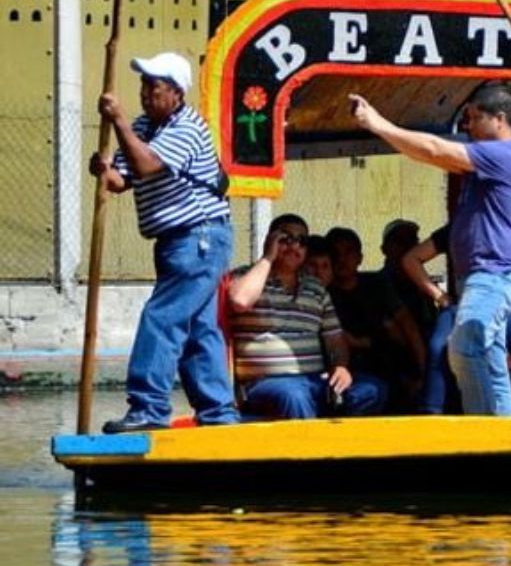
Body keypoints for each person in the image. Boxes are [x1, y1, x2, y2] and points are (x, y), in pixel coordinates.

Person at [351, 83, 511, 416]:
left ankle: (484, 432)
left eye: (475, 118)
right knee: (491, 362)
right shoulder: (487, 158)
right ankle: (505, 437)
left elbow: (433, 148)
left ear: (500, 119)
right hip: (483, 277)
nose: (469, 126)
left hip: (492, 275)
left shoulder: (501, 154)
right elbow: (426, 152)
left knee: (463, 350)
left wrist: (378, 124)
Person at [88, 51, 242, 433]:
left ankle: (149, 408)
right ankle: (219, 413)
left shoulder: (188, 127)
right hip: (176, 242)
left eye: (153, 86)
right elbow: (124, 179)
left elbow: (146, 166)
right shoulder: (142, 126)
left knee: (163, 318)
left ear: (176, 93)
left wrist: (118, 120)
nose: (144, 93)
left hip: (200, 237)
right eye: (143, 85)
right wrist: (104, 170)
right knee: (198, 329)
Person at [226, 215, 385, 420]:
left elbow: (336, 341)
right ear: (271, 239)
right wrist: (268, 258)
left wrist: (341, 368)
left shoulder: (316, 289)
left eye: (302, 241)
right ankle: (315, 450)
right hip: (266, 383)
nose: (295, 247)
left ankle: (335, 443)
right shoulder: (246, 276)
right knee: (294, 396)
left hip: (313, 381)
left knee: (372, 389)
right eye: (286, 239)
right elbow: (239, 299)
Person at [400, 225, 511, 416]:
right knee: (437, 345)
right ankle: (432, 413)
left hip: (507, 303)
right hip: (463, 306)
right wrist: (440, 296)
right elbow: (411, 259)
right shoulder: (459, 227)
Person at [326, 227, 426, 411]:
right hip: (341, 375)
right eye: (335, 253)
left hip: (386, 371)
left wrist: (422, 373)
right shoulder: (323, 294)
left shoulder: (377, 285)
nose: (341, 259)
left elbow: (408, 327)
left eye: (348, 251)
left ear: (360, 258)